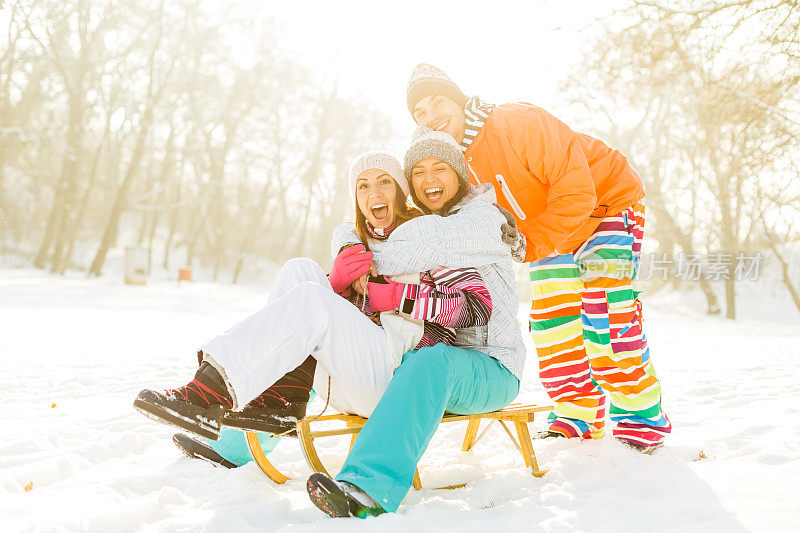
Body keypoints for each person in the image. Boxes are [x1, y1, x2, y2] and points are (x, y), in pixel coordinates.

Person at [132, 151, 495, 444]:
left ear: (400, 192)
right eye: (364, 186)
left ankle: (207, 391)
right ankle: (281, 399)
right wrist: (336, 282)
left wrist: (397, 296)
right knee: (299, 271)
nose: (375, 193)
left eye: (385, 182)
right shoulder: (358, 245)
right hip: (349, 377)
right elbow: (327, 318)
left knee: (311, 297)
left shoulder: (428, 239)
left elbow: (477, 307)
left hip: (398, 379)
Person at [404, 63, 671, 451]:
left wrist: (531, 243)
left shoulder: (516, 122)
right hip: (547, 236)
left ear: (459, 100)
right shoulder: (452, 163)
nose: (431, 116)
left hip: (606, 208)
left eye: (437, 102)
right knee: (552, 325)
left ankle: (641, 422)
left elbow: (577, 189)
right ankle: (578, 416)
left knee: (606, 314)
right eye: (420, 113)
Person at [306, 127, 525, 518]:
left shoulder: (470, 223)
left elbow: (475, 307)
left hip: (493, 365)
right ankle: (234, 440)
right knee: (318, 331)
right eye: (419, 172)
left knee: (430, 360)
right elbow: (371, 230)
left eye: (439, 168)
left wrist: (384, 284)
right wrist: (347, 249)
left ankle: (367, 486)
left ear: (459, 175)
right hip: (433, 367)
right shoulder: (420, 229)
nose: (429, 180)